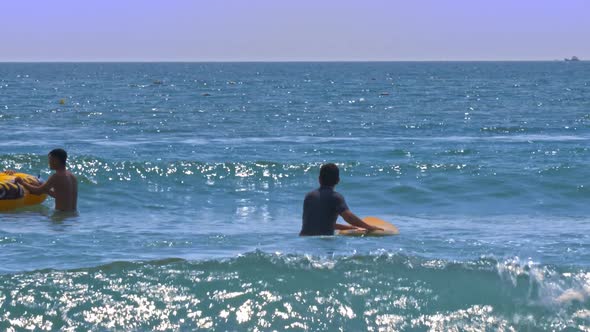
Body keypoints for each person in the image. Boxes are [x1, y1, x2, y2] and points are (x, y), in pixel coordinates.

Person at [300, 163, 382, 236]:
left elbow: (318, 222)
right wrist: (369, 227)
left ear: (319, 179)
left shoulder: (309, 196)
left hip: (304, 239)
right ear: (338, 180)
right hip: (323, 242)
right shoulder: (335, 197)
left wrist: (350, 228)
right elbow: (349, 217)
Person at [10, 149, 78, 212]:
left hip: (61, 216)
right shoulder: (72, 176)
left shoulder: (57, 176)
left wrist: (22, 182)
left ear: (56, 160)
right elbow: (61, 196)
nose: (49, 162)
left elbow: (37, 192)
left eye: (50, 159)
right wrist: (44, 188)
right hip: (72, 216)